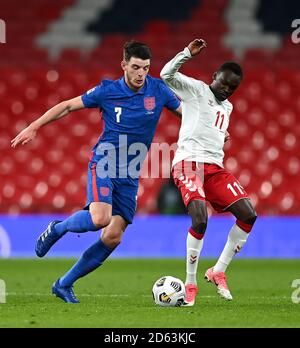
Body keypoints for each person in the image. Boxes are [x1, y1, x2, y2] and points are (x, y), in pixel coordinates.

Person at [11, 41, 181, 303]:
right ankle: (58, 229)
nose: (140, 74)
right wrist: (34, 126)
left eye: (145, 68)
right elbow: (67, 105)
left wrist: (213, 131)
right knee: (101, 218)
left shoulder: (158, 90)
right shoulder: (107, 91)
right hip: (104, 162)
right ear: (123, 65)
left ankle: (64, 284)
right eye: (135, 67)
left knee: (113, 236)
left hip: (131, 172)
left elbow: (186, 114)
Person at [160, 39, 257, 305]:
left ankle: (218, 271)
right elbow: (166, 74)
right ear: (214, 76)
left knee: (248, 214)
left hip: (215, 167)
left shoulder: (228, 107)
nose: (226, 89)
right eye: (223, 83)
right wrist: (186, 54)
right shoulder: (197, 90)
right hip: (188, 163)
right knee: (200, 218)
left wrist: (220, 134)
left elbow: (210, 123)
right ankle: (190, 284)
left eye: (232, 87)